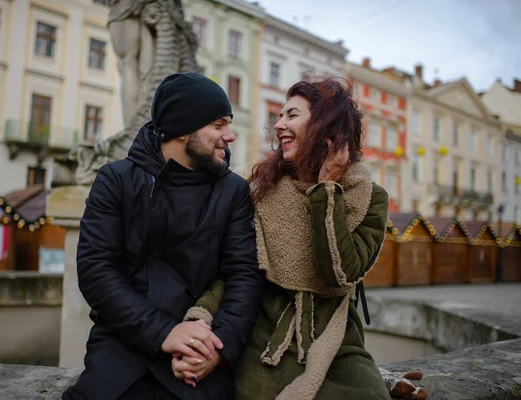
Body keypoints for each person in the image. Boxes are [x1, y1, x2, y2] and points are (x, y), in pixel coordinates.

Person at [173, 77, 427, 400]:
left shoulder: (369, 199)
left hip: (337, 347)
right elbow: (236, 271)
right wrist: (201, 318)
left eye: (291, 115)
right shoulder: (262, 190)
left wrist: (327, 188)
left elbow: (339, 274)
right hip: (266, 345)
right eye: (279, 116)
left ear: (326, 124)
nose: (279, 125)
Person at [63, 72, 265, 400]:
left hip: (201, 344)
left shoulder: (234, 191)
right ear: (183, 130)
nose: (229, 136)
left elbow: (244, 275)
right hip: (124, 342)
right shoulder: (117, 180)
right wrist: (163, 332)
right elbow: (96, 270)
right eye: (218, 125)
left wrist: (219, 348)